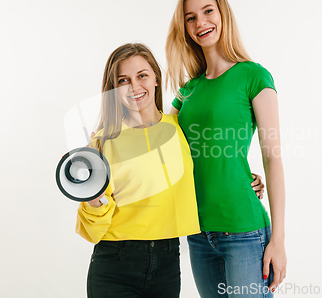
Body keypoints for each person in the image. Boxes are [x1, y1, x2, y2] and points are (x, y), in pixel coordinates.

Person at [75, 43, 265, 297]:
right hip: (114, 260)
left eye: (142, 75)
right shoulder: (102, 141)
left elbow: (212, 157)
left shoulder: (180, 128)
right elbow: (92, 229)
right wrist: (94, 198)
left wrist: (243, 176)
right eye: (123, 80)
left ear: (155, 77)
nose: (134, 87)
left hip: (166, 261)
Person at [166, 0, 287, 297]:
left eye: (208, 11)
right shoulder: (187, 90)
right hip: (198, 232)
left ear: (223, 14)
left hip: (244, 232)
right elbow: (163, 146)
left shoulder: (254, 76)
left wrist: (279, 240)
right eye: (191, 18)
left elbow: (272, 157)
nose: (201, 23)